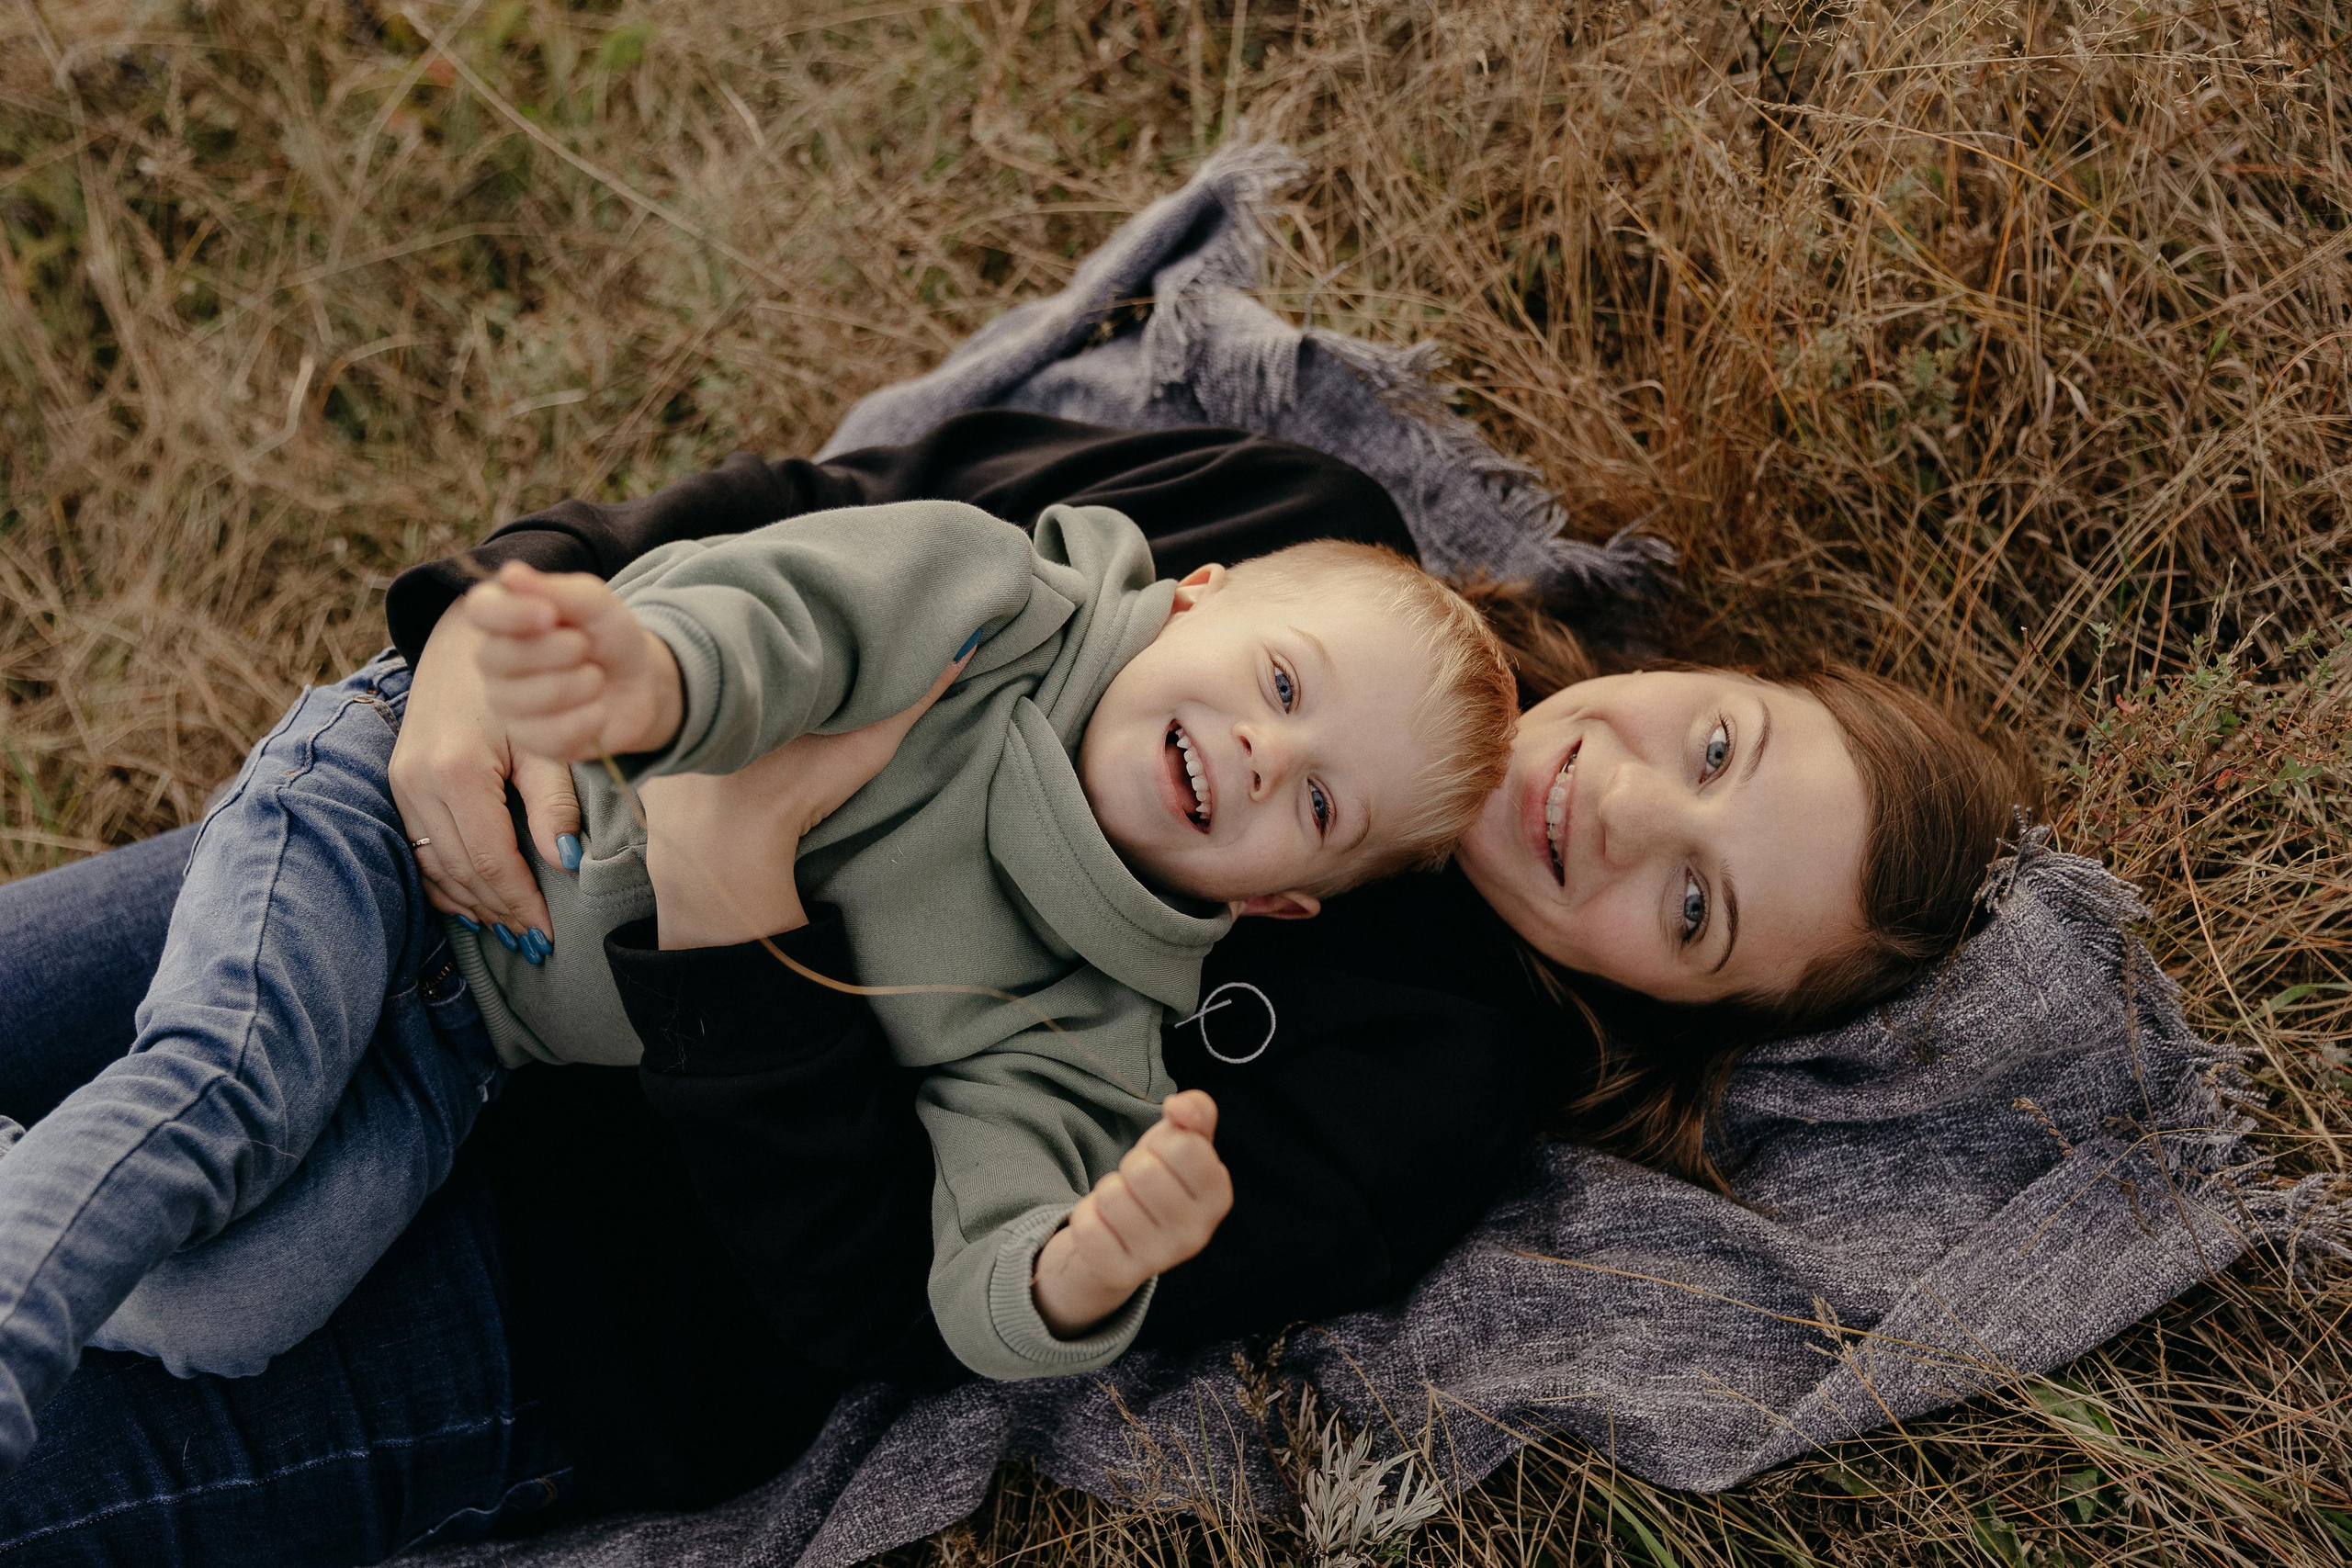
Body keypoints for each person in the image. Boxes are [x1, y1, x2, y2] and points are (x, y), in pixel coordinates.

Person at [0, 412, 2028, 1563]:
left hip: (583, 1286)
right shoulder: (1307, 531)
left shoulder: (1420, 1089)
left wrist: (731, 887)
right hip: (480, 849)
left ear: (1674, 1002)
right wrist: (482, 630)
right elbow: (817, 519)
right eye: (1719, 748)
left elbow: (904, 1295)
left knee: (88, 1423)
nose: (1630, 810)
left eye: (1696, 908)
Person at [0, 497, 1516, 1446]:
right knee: (231, 1089)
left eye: (1322, 803)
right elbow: (783, 623)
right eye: (1281, 680)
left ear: (1282, 904)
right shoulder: (990, 602)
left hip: (467, 1044)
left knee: (239, 1301)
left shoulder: (1083, 1014)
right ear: (1199, 595)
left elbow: (987, 1253)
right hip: (395, 820)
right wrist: (656, 680)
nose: (1264, 751)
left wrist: (1077, 1272)